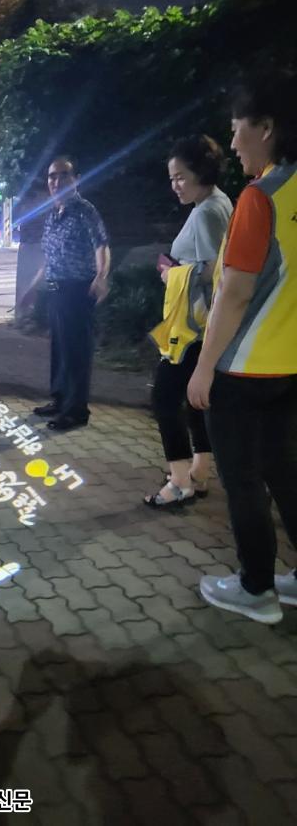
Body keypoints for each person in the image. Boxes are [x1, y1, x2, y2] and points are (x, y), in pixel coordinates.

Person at [187, 71, 297, 624]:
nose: (232, 143)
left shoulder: (261, 198)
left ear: (266, 127)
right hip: (291, 368)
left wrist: (204, 368)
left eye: (237, 128)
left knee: (244, 481)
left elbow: (234, 294)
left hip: (243, 368)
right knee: (287, 473)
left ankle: (256, 590)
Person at [144, 136, 232, 507]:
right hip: (204, 326)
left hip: (193, 329)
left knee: (164, 398)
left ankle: (179, 483)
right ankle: (199, 472)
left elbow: (217, 271)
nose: (175, 185)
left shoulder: (207, 211)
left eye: (181, 176)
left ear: (201, 171)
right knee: (195, 401)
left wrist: (173, 275)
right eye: (172, 178)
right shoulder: (219, 201)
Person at [23, 157, 110, 432]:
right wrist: (32, 288)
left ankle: (76, 411)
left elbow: (101, 245)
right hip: (56, 290)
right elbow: (49, 258)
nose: (56, 181)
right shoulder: (53, 215)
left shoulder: (85, 210)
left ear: (76, 179)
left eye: (63, 175)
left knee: (77, 352)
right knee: (59, 349)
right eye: (52, 176)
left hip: (78, 289)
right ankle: (60, 400)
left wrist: (101, 275)